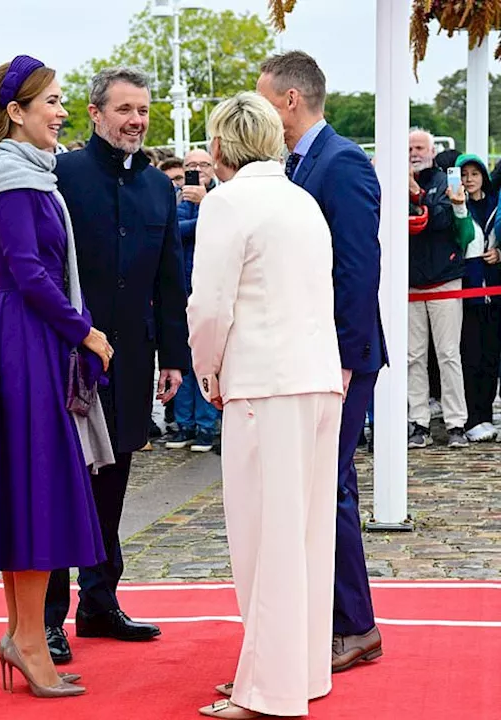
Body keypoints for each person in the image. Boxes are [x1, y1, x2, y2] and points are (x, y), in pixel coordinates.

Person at [0, 54, 114, 700]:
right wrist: (86, 331)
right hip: (26, 342)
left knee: (26, 495)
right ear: (15, 111)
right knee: (37, 494)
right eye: (52, 101)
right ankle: (29, 642)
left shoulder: (19, 172)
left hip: (25, 338)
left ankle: (25, 637)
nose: (62, 111)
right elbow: (27, 271)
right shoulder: (9, 175)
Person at [188, 91, 343, 720]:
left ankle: (270, 692)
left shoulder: (227, 203)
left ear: (220, 147)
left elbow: (210, 306)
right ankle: (296, 675)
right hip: (315, 378)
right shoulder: (302, 199)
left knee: (265, 540)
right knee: (306, 537)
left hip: (265, 384)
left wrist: (207, 371)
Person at [44, 65, 190, 661]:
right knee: (61, 485)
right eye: (125, 110)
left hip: (131, 359)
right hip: (68, 355)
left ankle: (100, 602)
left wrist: (174, 357)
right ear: (95, 113)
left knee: (115, 484)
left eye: (143, 112)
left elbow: (168, 281)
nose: (136, 121)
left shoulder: (159, 186)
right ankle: (48, 618)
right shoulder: (61, 177)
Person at [257, 50, 388, 674]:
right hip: (310, 355)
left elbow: (360, 272)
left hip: (336, 359)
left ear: (289, 99)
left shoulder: (342, 164)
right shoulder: (297, 164)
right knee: (321, 486)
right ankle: (335, 617)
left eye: (264, 97)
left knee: (328, 487)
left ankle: (355, 625)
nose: (261, 108)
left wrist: (343, 358)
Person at [407, 128, 469, 449]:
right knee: (412, 356)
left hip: (445, 278)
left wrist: (417, 195)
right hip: (409, 284)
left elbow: (443, 220)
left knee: (448, 354)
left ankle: (456, 422)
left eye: (420, 147)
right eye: (409, 148)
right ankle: (418, 422)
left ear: (432, 152)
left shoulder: (446, 181)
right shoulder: (390, 182)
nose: (414, 153)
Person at [162, 147, 221, 453]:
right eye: (191, 165)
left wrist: (207, 206)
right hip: (179, 288)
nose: (197, 169)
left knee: (207, 360)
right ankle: (184, 423)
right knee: (181, 360)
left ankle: (206, 426)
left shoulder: (222, 198)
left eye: (203, 164)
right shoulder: (172, 199)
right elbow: (169, 233)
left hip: (209, 288)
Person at [455, 153, 501, 442]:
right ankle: (473, 417)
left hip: (494, 293)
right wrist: (458, 209)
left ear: (483, 176)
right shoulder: (455, 206)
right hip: (467, 291)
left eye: (474, 174)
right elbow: (457, 240)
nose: (469, 180)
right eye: (464, 174)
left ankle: (486, 414)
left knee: (490, 357)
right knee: (469, 356)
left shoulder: (496, 204)